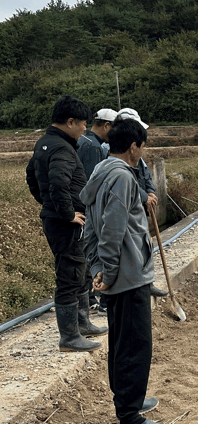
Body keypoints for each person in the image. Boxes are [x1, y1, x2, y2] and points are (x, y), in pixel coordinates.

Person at [80, 117, 167, 424]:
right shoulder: (123, 179)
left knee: (120, 342)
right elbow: (113, 230)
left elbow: (90, 227)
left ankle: (129, 399)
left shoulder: (100, 172)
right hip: (128, 276)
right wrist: (110, 271)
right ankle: (129, 418)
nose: (143, 154)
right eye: (142, 148)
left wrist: (97, 268)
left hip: (116, 274)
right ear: (133, 147)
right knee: (135, 344)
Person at [25, 95, 106, 353]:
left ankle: (82, 324)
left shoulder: (46, 143)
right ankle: (69, 337)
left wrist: (47, 203)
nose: (85, 128)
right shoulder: (61, 148)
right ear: (70, 122)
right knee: (70, 275)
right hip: (65, 223)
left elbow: (31, 177)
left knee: (79, 269)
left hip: (58, 218)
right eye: (82, 123)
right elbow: (58, 183)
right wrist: (66, 213)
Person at [114, 108, 170, 300]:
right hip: (129, 207)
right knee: (132, 248)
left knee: (146, 243)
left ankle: (147, 282)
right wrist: (144, 196)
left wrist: (151, 192)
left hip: (140, 206)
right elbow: (126, 182)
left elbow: (145, 175)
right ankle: (135, 285)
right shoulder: (116, 156)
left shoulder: (137, 154)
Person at [77, 108, 118, 311]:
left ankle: (90, 299)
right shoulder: (93, 147)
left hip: (81, 206)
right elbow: (93, 184)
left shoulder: (84, 141)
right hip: (88, 208)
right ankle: (94, 299)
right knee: (92, 251)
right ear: (106, 126)